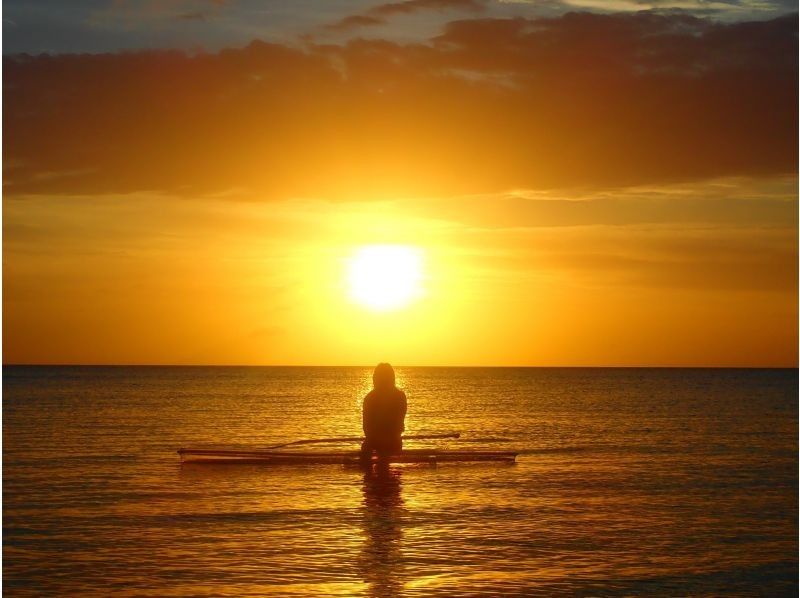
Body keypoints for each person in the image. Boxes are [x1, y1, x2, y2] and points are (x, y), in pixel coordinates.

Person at [361, 363, 407, 464]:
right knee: (373, 449)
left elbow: (366, 427)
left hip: (383, 441)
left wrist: (380, 436)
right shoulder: (400, 396)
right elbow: (400, 424)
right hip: (392, 441)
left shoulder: (369, 398)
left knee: (367, 450)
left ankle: (368, 477)